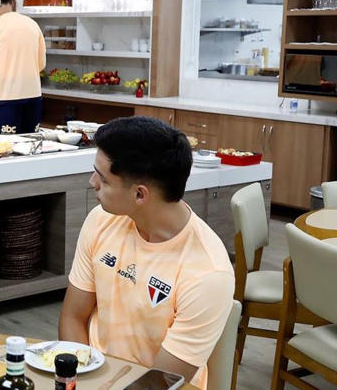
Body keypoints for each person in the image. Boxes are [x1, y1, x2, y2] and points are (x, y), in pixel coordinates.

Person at [58, 116, 234, 389]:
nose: (92, 182)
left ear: (140, 194)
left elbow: (159, 383)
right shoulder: (101, 220)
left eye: (103, 179)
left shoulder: (207, 273)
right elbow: (72, 318)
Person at [0, 0, 46, 134]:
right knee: (32, 143)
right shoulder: (32, 24)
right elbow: (41, 64)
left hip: (9, 96)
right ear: (11, 3)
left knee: (8, 148)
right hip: (34, 96)